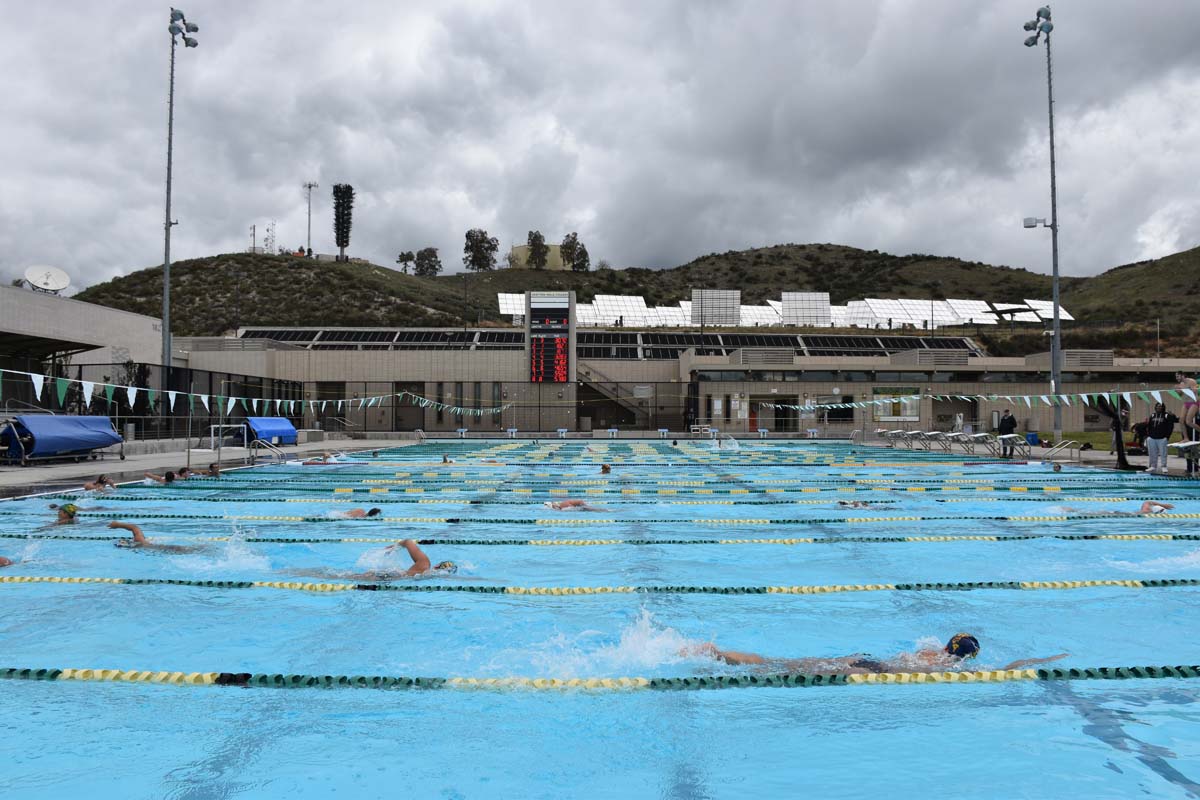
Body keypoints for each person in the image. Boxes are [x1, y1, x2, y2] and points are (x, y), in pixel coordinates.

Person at [686, 633, 1067, 675]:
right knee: (776, 671)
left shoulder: (931, 652)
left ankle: (720, 654)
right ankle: (718, 656)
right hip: (870, 670)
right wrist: (1041, 662)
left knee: (781, 665)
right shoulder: (952, 667)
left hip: (864, 658)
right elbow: (1011, 667)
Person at [291, 539, 456, 582]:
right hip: (386, 577)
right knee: (335, 576)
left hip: (386, 576)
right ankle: (297, 572)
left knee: (336, 576)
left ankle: (297, 572)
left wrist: (395, 547)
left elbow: (408, 541)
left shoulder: (425, 566)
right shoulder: (425, 569)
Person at [107, 521, 207, 553]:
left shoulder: (140, 546)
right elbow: (134, 527)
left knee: (193, 551)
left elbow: (135, 528)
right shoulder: (140, 542)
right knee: (194, 550)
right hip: (167, 548)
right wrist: (118, 525)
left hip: (165, 550)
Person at [1145, 402, 1179, 475]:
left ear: (1163, 407)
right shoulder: (1152, 415)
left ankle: (1164, 466)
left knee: (1163, 453)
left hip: (1162, 438)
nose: (1159, 408)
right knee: (1152, 453)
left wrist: (1167, 436)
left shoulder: (1166, 415)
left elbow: (1173, 423)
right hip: (1152, 438)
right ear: (1155, 407)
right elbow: (1149, 426)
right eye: (1157, 406)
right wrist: (1149, 435)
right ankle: (1153, 466)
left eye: (1160, 406)